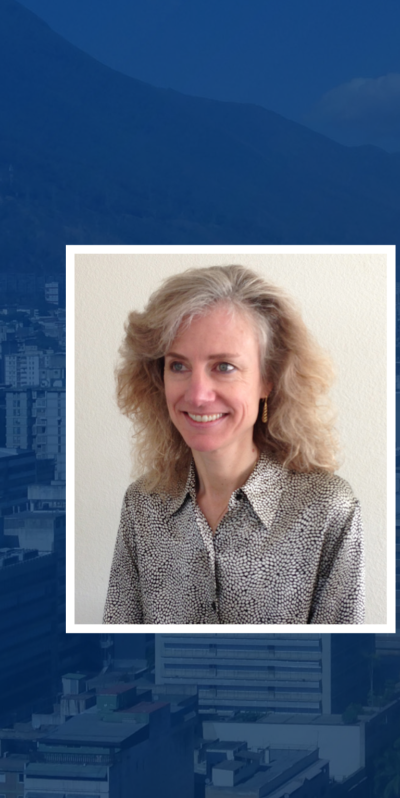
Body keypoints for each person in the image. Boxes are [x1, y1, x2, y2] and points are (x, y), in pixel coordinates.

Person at [103, 265, 363, 624]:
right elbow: (121, 649)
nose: (197, 394)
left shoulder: (328, 510)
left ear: (268, 380)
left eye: (223, 366)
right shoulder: (142, 507)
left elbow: (343, 664)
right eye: (178, 366)